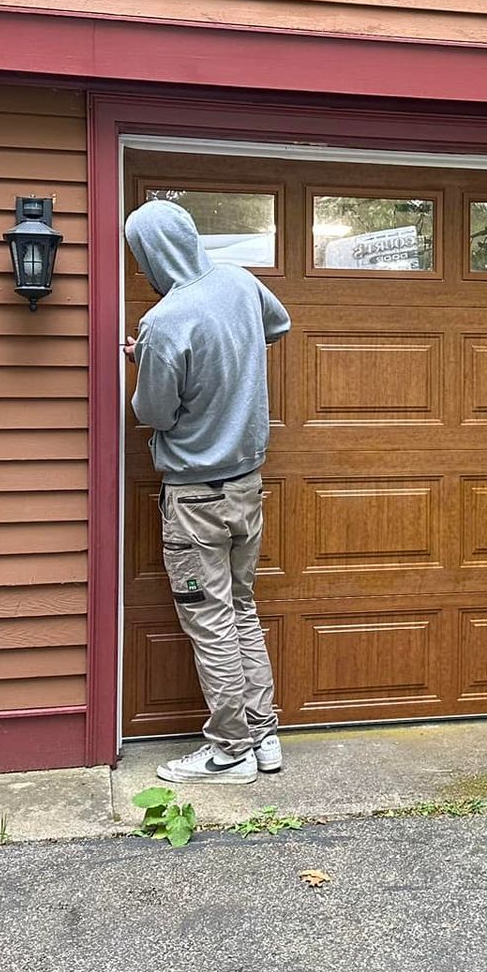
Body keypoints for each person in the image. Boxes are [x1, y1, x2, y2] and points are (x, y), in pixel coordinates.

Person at [124, 199, 291, 786]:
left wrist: (145, 361)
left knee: (212, 622)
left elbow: (155, 413)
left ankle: (229, 753)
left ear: (149, 255)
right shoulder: (239, 282)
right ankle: (263, 737)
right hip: (247, 488)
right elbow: (277, 325)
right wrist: (230, 359)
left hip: (196, 500)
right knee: (241, 609)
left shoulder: (164, 321)